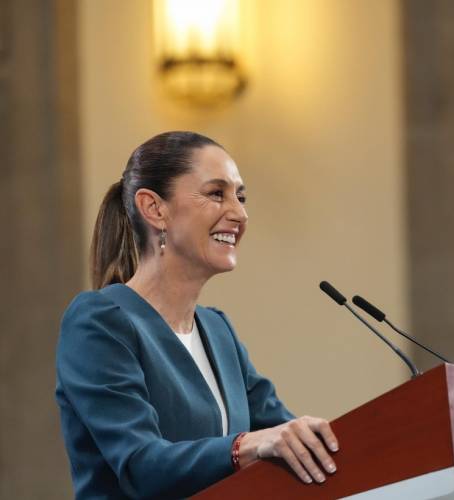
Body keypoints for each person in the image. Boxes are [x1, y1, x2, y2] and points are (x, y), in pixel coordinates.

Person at [55, 131, 339, 499]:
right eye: (216, 194)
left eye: (241, 197)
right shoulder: (99, 322)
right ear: (154, 209)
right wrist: (245, 446)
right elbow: (140, 464)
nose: (239, 213)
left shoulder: (218, 330)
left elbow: (288, 438)